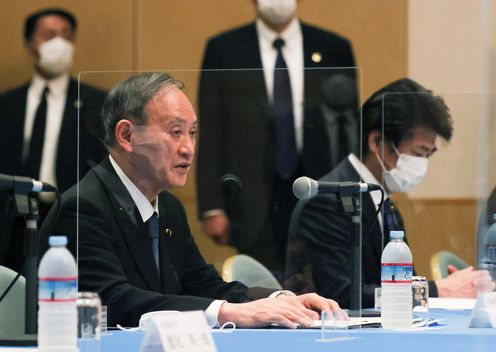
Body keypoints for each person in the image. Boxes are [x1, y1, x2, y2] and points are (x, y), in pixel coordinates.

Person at [40, 72, 343, 328]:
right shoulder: (83, 208)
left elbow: (204, 284)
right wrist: (227, 312)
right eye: (175, 132)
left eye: (193, 133)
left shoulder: (169, 207)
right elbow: (114, 301)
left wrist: (280, 300)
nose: (188, 148)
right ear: (126, 136)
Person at [285, 78, 495, 308]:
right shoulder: (329, 199)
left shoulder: (383, 201)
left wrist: (448, 288)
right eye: (419, 152)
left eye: (429, 154)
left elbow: (399, 282)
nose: (423, 163)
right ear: (377, 141)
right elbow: (339, 294)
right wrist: (435, 290)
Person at [196, 0, 356, 272]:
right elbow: (211, 131)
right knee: (261, 293)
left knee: (320, 287)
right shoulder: (224, 49)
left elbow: (347, 131)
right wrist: (212, 206)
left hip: (319, 193)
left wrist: (349, 199)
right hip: (252, 200)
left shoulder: (333, 48)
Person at [0, 8, 106, 273]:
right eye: (49, 35)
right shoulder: (7, 104)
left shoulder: (96, 103)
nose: (59, 43)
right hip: (13, 221)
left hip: (71, 216)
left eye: (66, 36)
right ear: (29, 44)